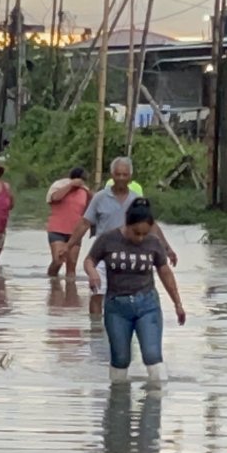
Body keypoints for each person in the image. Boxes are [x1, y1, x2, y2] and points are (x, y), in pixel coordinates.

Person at [85, 197, 186, 384]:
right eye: (136, 233)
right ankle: (118, 404)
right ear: (127, 223)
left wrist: (177, 304)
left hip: (147, 305)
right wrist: (92, 273)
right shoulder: (108, 240)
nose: (140, 238)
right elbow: (89, 260)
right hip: (117, 307)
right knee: (120, 360)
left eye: (144, 234)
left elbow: (165, 273)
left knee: (152, 356)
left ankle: (156, 402)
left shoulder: (153, 243)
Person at [66, 157, 177, 316]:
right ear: (112, 175)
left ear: (130, 177)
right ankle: (96, 331)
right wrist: (68, 246)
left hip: (131, 255)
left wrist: (167, 249)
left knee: (129, 296)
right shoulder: (100, 198)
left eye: (125, 175)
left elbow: (151, 226)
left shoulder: (136, 201)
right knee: (97, 294)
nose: (121, 179)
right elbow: (85, 223)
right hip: (103, 255)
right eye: (118, 174)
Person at [45, 167, 92, 277]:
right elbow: (55, 197)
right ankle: (52, 283)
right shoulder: (58, 186)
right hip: (57, 230)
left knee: (71, 269)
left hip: (75, 232)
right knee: (57, 261)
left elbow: (90, 209)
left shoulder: (84, 191)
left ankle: (71, 292)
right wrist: (71, 186)